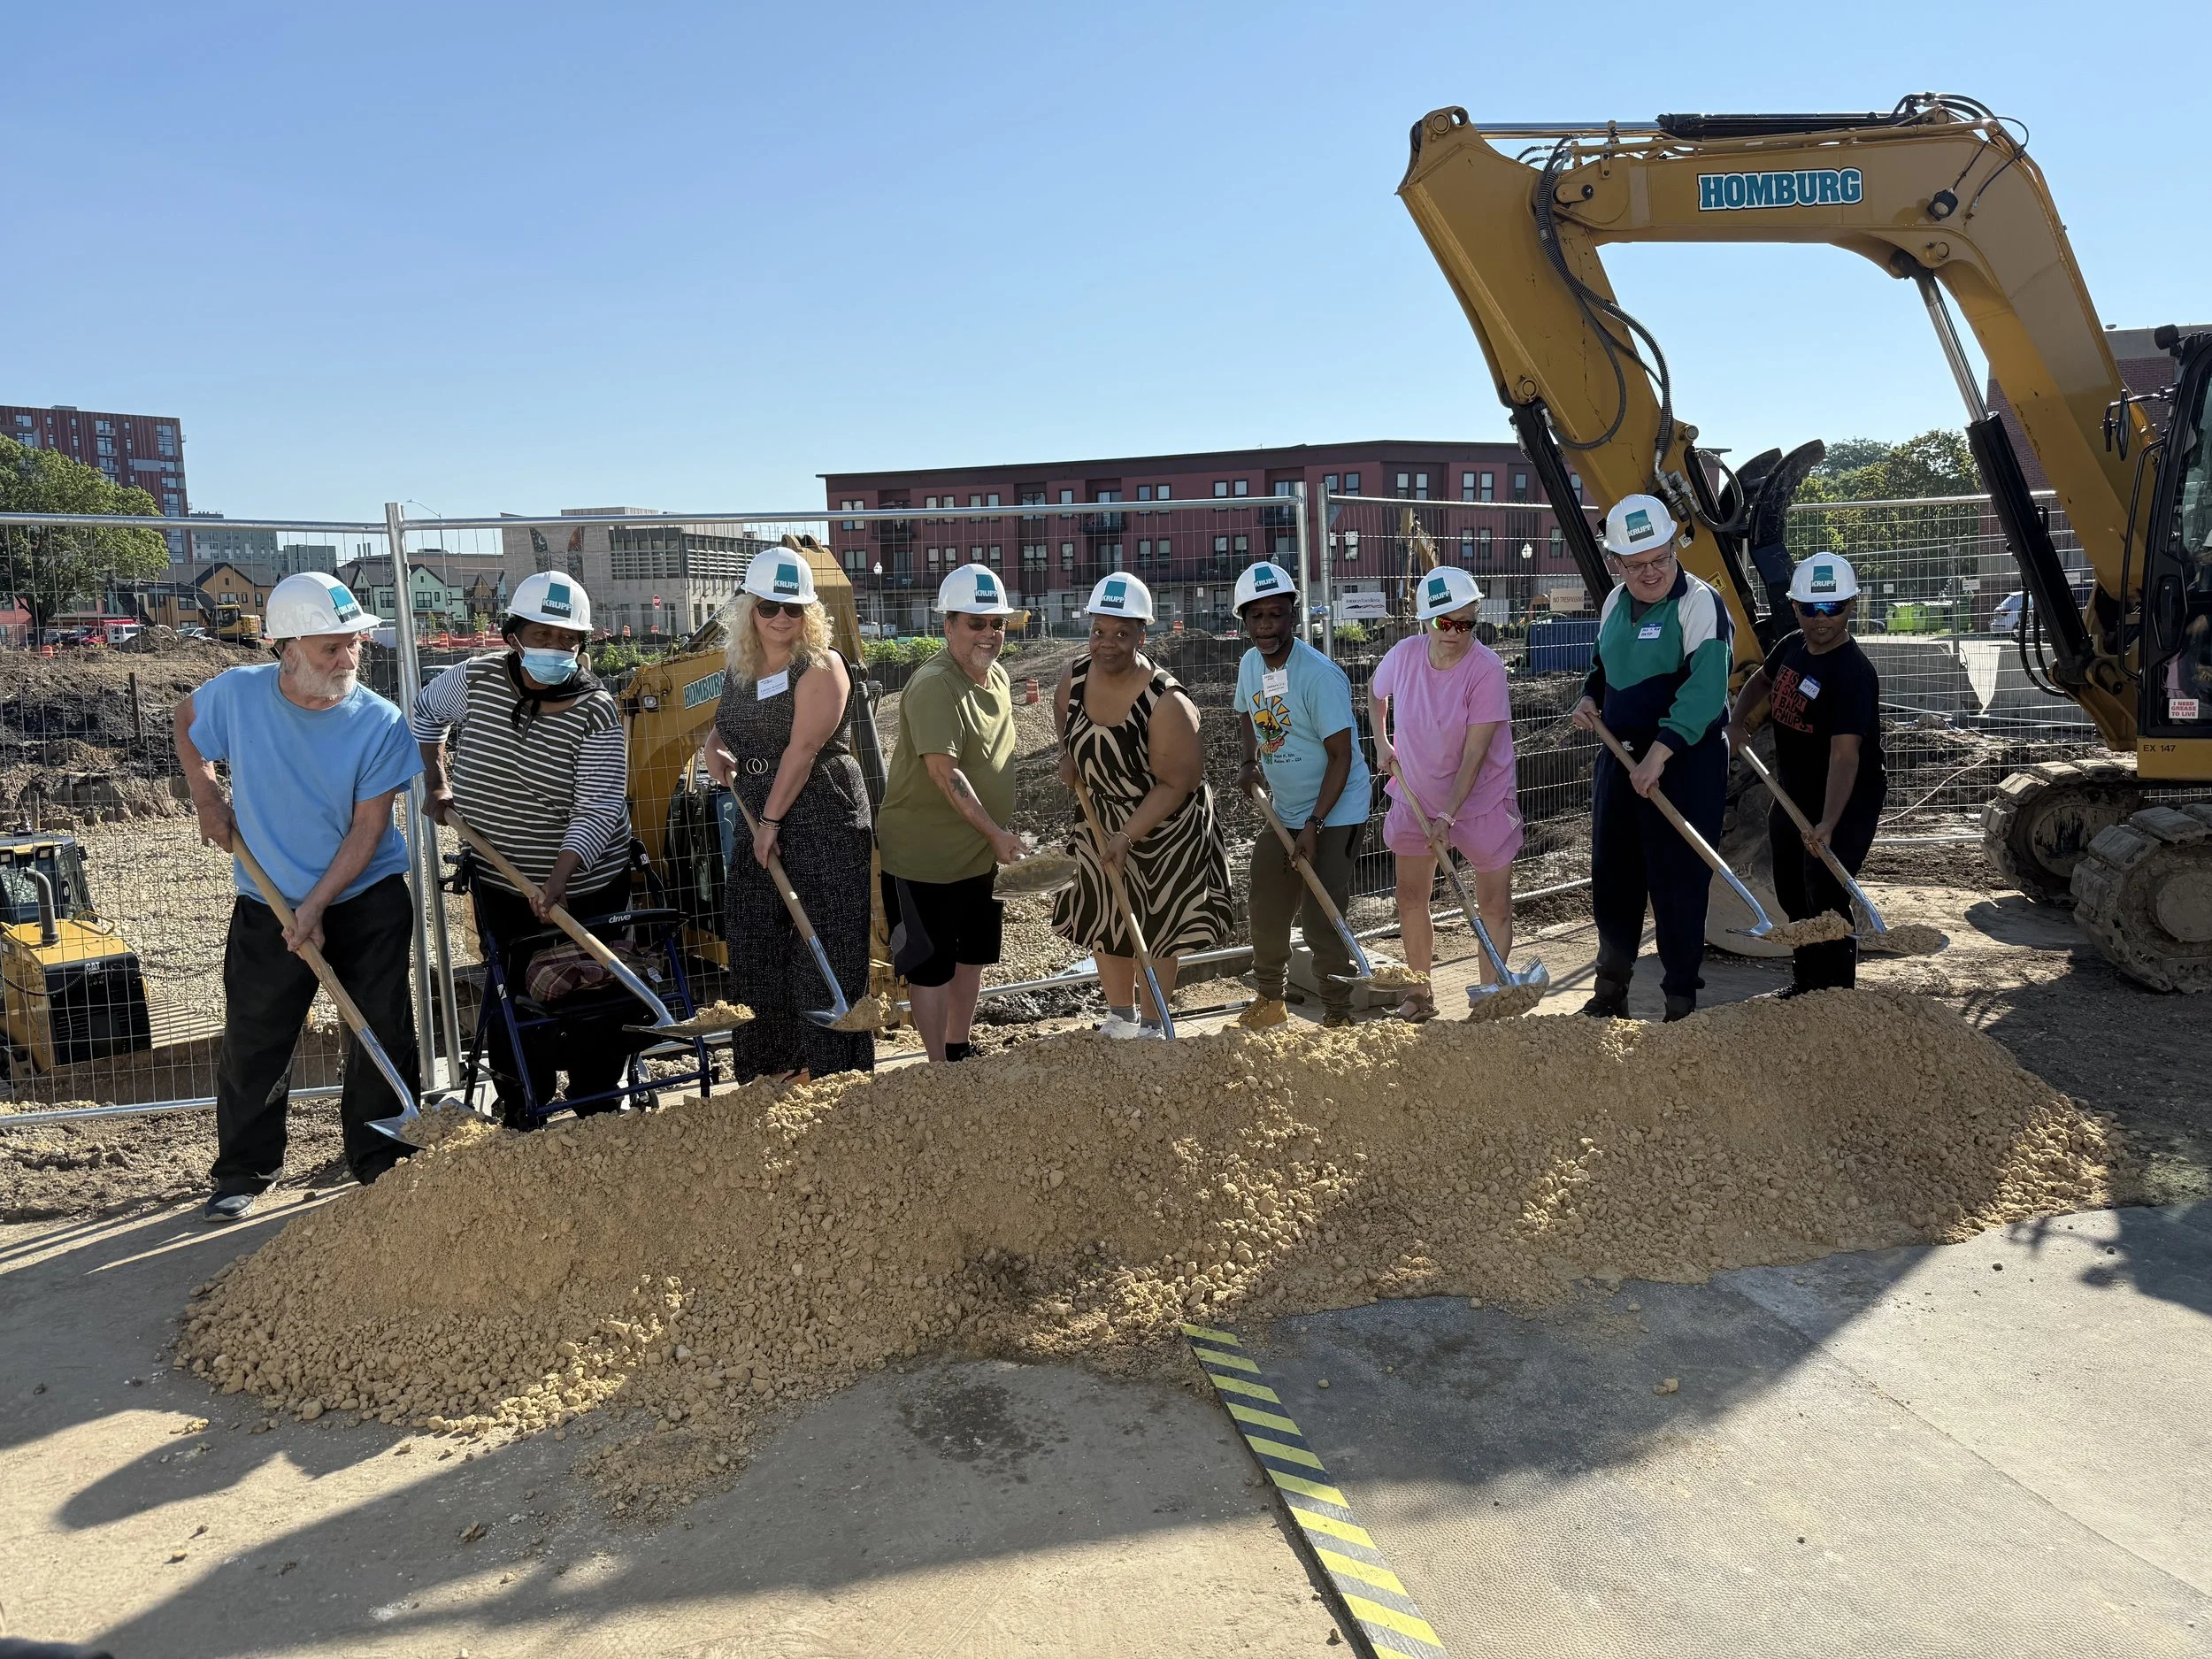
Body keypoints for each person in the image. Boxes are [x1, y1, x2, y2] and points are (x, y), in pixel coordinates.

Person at [175, 573, 424, 1222]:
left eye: (355, 645)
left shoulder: (380, 722)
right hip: (267, 899)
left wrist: (315, 907)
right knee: (257, 1037)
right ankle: (243, 1171)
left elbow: (369, 830)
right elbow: (185, 720)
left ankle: (382, 1160)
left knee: (379, 1028)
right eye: (330, 649)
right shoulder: (237, 696)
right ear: (286, 647)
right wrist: (206, 798)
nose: (347, 660)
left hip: (364, 899)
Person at [413, 572, 635, 1124]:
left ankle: (598, 1105)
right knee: (514, 988)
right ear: (515, 633)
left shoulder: (595, 708)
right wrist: (436, 780)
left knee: (596, 989)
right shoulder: (475, 679)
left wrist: (558, 880)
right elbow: (424, 715)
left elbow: (600, 807)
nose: (556, 649)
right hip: (501, 877)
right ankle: (522, 1105)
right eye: (543, 635)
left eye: (568, 640)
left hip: (586, 882)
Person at [701, 545, 874, 1079]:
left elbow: (801, 752)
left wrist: (772, 822)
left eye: (793, 608)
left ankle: (827, 1072)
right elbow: (723, 725)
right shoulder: (742, 666)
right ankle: (769, 1070)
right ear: (750, 607)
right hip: (759, 816)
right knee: (756, 942)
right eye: (770, 606)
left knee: (821, 944)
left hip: (821, 815)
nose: (781, 618)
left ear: (808, 613)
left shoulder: (822, 666)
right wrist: (713, 749)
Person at [1570, 493, 1733, 1022]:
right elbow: (1601, 671)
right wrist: (1590, 697)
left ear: (1673, 545)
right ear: (1616, 562)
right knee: (1613, 877)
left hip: (1685, 761)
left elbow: (1706, 691)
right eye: (1635, 564)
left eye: (1659, 559)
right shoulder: (1613, 604)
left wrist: (1661, 754)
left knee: (1678, 881)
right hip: (1621, 760)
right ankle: (1610, 988)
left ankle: (1679, 1000)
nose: (1650, 572)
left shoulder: (1700, 603)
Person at [1051, 573, 1233, 1037]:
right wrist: (1068, 760)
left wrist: (1128, 836)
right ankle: (1119, 1017)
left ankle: (1154, 1023)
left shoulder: (1166, 701)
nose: (1106, 643)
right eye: (1099, 632)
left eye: (1121, 634)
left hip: (1163, 824)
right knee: (1104, 913)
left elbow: (1179, 782)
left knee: (1156, 920)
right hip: (1099, 816)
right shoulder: (1072, 680)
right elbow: (1069, 738)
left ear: (1142, 635)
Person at [874, 564, 1025, 1062]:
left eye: (996, 623)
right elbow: (947, 776)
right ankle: (937, 1068)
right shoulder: (935, 685)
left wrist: (993, 837)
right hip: (927, 858)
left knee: (973, 955)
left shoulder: (997, 676)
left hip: (978, 854)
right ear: (948, 626)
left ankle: (958, 1049)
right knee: (931, 966)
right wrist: (997, 832)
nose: (988, 634)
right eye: (975, 623)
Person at [1727, 553, 1887, 994]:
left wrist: (1829, 824)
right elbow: (1762, 680)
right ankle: (1806, 984)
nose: (1822, 618)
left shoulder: (1853, 675)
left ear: (1851, 605)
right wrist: (1738, 722)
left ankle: (1835, 993)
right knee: (1791, 890)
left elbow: (1845, 757)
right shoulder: (1792, 646)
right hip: (1795, 792)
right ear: (1795, 607)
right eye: (1810, 608)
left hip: (1846, 800)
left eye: (1833, 607)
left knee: (1825, 893)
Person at [1370, 565, 1523, 1020]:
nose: (1455, 633)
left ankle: (1490, 997)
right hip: (1416, 796)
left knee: (1493, 903)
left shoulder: (1487, 670)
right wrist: (1382, 743)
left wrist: (1449, 816)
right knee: (1411, 897)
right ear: (1425, 620)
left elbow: (1474, 757)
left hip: (1480, 801)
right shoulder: (1402, 656)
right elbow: (1376, 696)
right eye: (1443, 623)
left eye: (1465, 623)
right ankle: (1419, 994)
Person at [1232, 560, 1372, 1029]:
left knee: (1321, 912)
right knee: (1266, 901)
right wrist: (1250, 762)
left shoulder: (1318, 676)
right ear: (1244, 621)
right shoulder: (1250, 664)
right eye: (1256, 616)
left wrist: (1313, 825)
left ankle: (1338, 1012)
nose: (1266, 625)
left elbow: (1341, 757)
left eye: (1276, 614)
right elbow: (1248, 715)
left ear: (1292, 615)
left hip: (1335, 811)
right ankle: (1270, 1000)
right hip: (1287, 810)